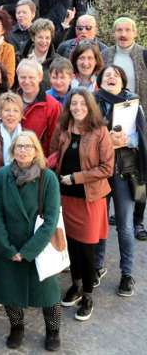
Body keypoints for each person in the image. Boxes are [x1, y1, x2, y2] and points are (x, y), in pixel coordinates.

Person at [0, 131, 62, 351]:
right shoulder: (2, 176)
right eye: (19, 146)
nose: (23, 150)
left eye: (28, 146)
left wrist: (28, 251)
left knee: (48, 294)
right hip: (9, 246)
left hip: (38, 247)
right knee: (10, 292)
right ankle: (17, 328)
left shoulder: (47, 178)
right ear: (12, 150)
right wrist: (7, 248)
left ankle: (53, 331)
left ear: (36, 151)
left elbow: (51, 220)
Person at [50, 89, 113, 321]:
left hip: (89, 199)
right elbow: (54, 154)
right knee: (71, 247)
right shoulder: (64, 129)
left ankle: (88, 295)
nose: (77, 108)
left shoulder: (100, 132)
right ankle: (76, 285)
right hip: (65, 198)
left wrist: (76, 177)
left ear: (90, 107)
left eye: (82, 104)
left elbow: (106, 168)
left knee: (86, 250)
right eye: (73, 104)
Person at [93, 65, 145, 297]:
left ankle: (126, 274)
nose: (112, 77)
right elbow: (86, 132)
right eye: (107, 75)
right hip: (100, 172)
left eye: (116, 74)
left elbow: (141, 136)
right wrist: (106, 140)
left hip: (125, 171)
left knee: (124, 225)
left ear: (122, 81)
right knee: (100, 222)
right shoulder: (92, 102)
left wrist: (125, 141)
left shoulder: (133, 103)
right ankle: (97, 266)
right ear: (100, 82)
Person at [100, 16, 147, 240]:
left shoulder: (144, 54)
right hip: (111, 118)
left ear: (135, 33)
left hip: (138, 117)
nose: (123, 33)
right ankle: (118, 213)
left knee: (138, 170)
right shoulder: (107, 54)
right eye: (119, 29)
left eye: (127, 29)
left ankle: (137, 221)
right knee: (114, 168)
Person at [17, 59, 62, 153]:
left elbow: (54, 142)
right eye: (23, 77)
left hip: (39, 162)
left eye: (31, 77)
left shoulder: (53, 106)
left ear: (40, 77)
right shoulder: (10, 100)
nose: (27, 81)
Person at [21, 18, 58, 89]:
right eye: (40, 37)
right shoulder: (20, 57)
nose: (44, 41)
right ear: (33, 38)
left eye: (47, 38)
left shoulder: (57, 61)